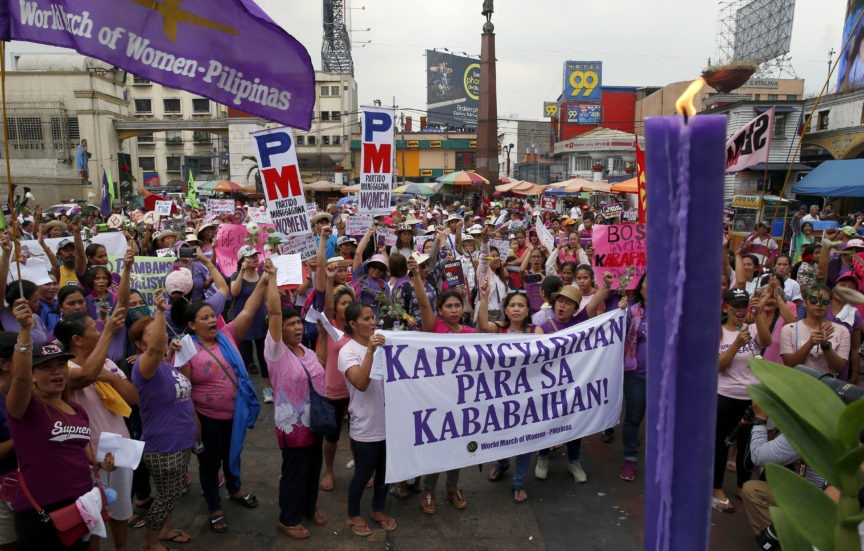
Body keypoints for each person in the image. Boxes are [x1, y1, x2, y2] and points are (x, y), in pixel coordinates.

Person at [6, 300, 116, 550]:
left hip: (81, 507)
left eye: (60, 365)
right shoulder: (24, 409)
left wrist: (99, 462)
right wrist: (24, 331)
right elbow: (20, 377)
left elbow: (81, 449)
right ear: (33, 374)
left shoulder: (77, 410)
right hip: (41, 515)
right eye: (46, 367)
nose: (56, 372)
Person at [178, 271, 266, 533]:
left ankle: (235, 489)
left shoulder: (226, 336)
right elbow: (184, 391)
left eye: (212, 316)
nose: (211, 320)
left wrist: (263, 280)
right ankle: (214, 506)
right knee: (209, 463)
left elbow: (249, 311)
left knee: (233, 454)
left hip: (234, 414)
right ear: (192, 325)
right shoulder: (184, 348)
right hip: (206, 419)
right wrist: (194, 423)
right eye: (204, 318)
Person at [263, 263, 328, 540]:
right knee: (295, 471)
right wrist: (273, 278)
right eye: (291, 324)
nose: (298, 327)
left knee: (313, 468)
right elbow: (275, 311)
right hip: (292, 426)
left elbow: (321, 369)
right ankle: (288, 518)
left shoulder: (307, 351)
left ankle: (309, 507)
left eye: (299, 323)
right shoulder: (276, 352)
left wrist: (324, 332)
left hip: (315, 421)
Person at [129, 290, 197, 551]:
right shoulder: (143, 367)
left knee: (170, 494)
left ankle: (165, 530)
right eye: (152, 331)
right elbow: (157, 346)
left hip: (180, 440)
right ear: (139, 343)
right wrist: (158, 312)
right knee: (166, 496)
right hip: (164, 446)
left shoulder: (164, 363)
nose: (161, 333)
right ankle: (150, 543)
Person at [411, 255, 472, 513]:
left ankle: (452, 486)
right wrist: (416, 277)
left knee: (457, 446)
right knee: (436, 445)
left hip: (461, 397)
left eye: (458, 305)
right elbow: (424, 305)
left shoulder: (470, 334)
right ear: (440, 311)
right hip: (435, 398)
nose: (455, 310)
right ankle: (428, 490)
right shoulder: (433, 327)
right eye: (449, 306)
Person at [338, 303, 396, 536]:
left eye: (373, 317)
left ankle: (378, 509)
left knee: (385, 472)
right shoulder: (347, 352)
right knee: (363, 474)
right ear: (353, 324)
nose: (373, 322)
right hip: (365, 425)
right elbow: (361, 384)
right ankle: (353, 514)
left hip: (389, 423)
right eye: (366, 319)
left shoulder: (383, 343)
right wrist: (371, 352)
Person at [712, 288, 771, 513]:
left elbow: (765, 341)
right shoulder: (717, 332)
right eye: (735, 305)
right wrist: (736, 343)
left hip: (751, 398)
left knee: (747, 445)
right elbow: (716, 365)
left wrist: (757, 316)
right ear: (725, 307)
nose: (740, 310)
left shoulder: (752, 327)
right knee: (721, 444)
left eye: (743, 305)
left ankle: (742, 485)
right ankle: (716, 488)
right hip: (724, 396)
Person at [476, 280, 534, 503]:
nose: (517, 309)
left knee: (526, 438)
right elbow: (482, 324)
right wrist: (484, 297)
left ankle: (519, 482)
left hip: (528, 395)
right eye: (512, 306)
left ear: (528, 310)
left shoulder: (536, 331)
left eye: (521, 305)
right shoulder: (499, 328)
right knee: (499, 431)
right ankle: (501, 463)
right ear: (506, 310)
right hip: (501, 394)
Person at [230, 246, 271, 403]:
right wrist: (241, 271)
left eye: (256, 255)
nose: (255, 258)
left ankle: (267, 389)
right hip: (243, 323)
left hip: (261, 320)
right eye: (251, 256)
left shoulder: (262, 275)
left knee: (263, 357)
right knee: (244, 358)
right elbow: (234, 292)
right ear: (242, 260)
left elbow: (267, 297)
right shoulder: (235, 275)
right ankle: (244, 390)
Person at [780, 285, 850, 375]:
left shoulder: (842, 331)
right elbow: (789, 364)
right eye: (814, 300)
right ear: (804, 302)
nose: (819, 304)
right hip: (796, 384)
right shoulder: (789, 329)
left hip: (826, 385)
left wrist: (825, 346)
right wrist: (810, 343)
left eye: (825, 302)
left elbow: (839, 368)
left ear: (829, 305)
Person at [620, 275, 647, 482]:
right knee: (633, 417)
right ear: (641, 286)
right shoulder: (632, 311)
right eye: (648, 281)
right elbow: (617, 333)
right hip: (636, 375)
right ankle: (630, 457)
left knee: (662, 420)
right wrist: (620, 313)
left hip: (664, 378)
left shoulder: (672, 311)